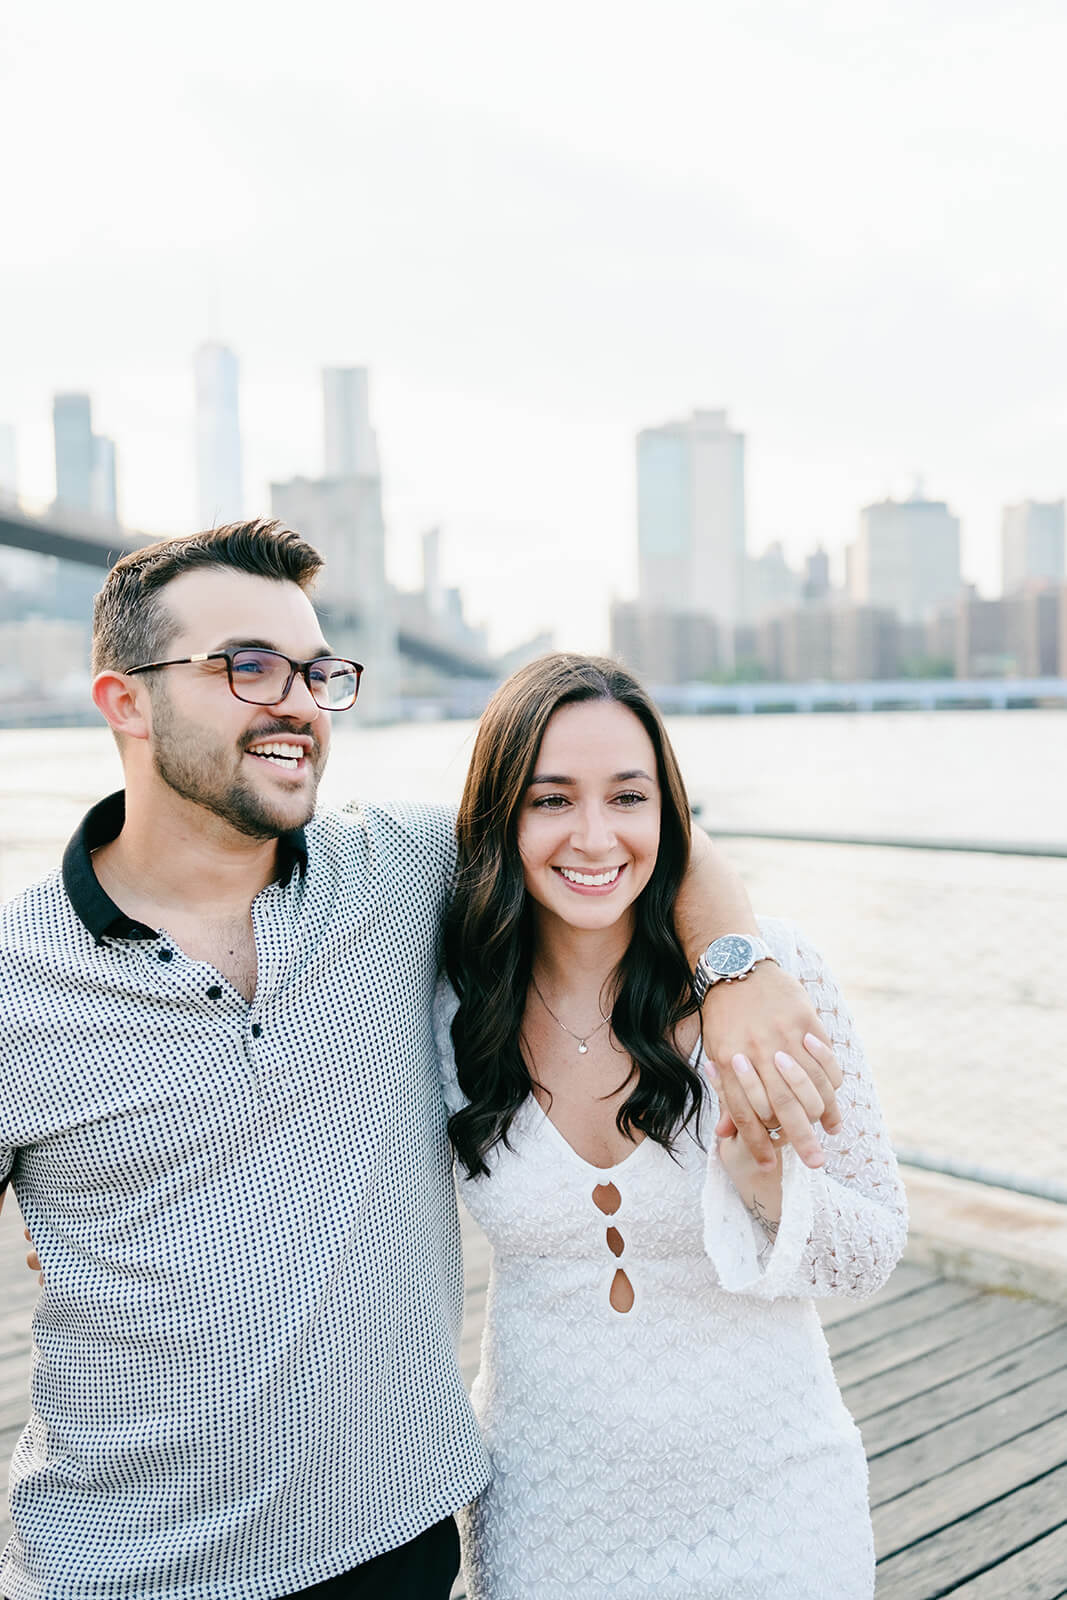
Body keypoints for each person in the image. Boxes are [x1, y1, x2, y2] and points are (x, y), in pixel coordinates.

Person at [0, 523, 842, 1600]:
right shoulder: (17, 979)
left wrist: (736, 970)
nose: (298, 704)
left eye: (315, 672)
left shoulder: (399, 872)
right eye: (248, 666)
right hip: (124, 1569)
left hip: (396, 1538)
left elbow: (620, 830)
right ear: (124, 702)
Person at [436, 653, 908, 1600]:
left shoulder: (776, 977)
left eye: (627, 797)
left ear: (670, 815)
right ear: (500, 816)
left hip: (776, 1501)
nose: (594, 836)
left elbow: (872, 1250)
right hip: (548, 1510)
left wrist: (771, 1192)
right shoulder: (447, 1000)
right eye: (550, 800)